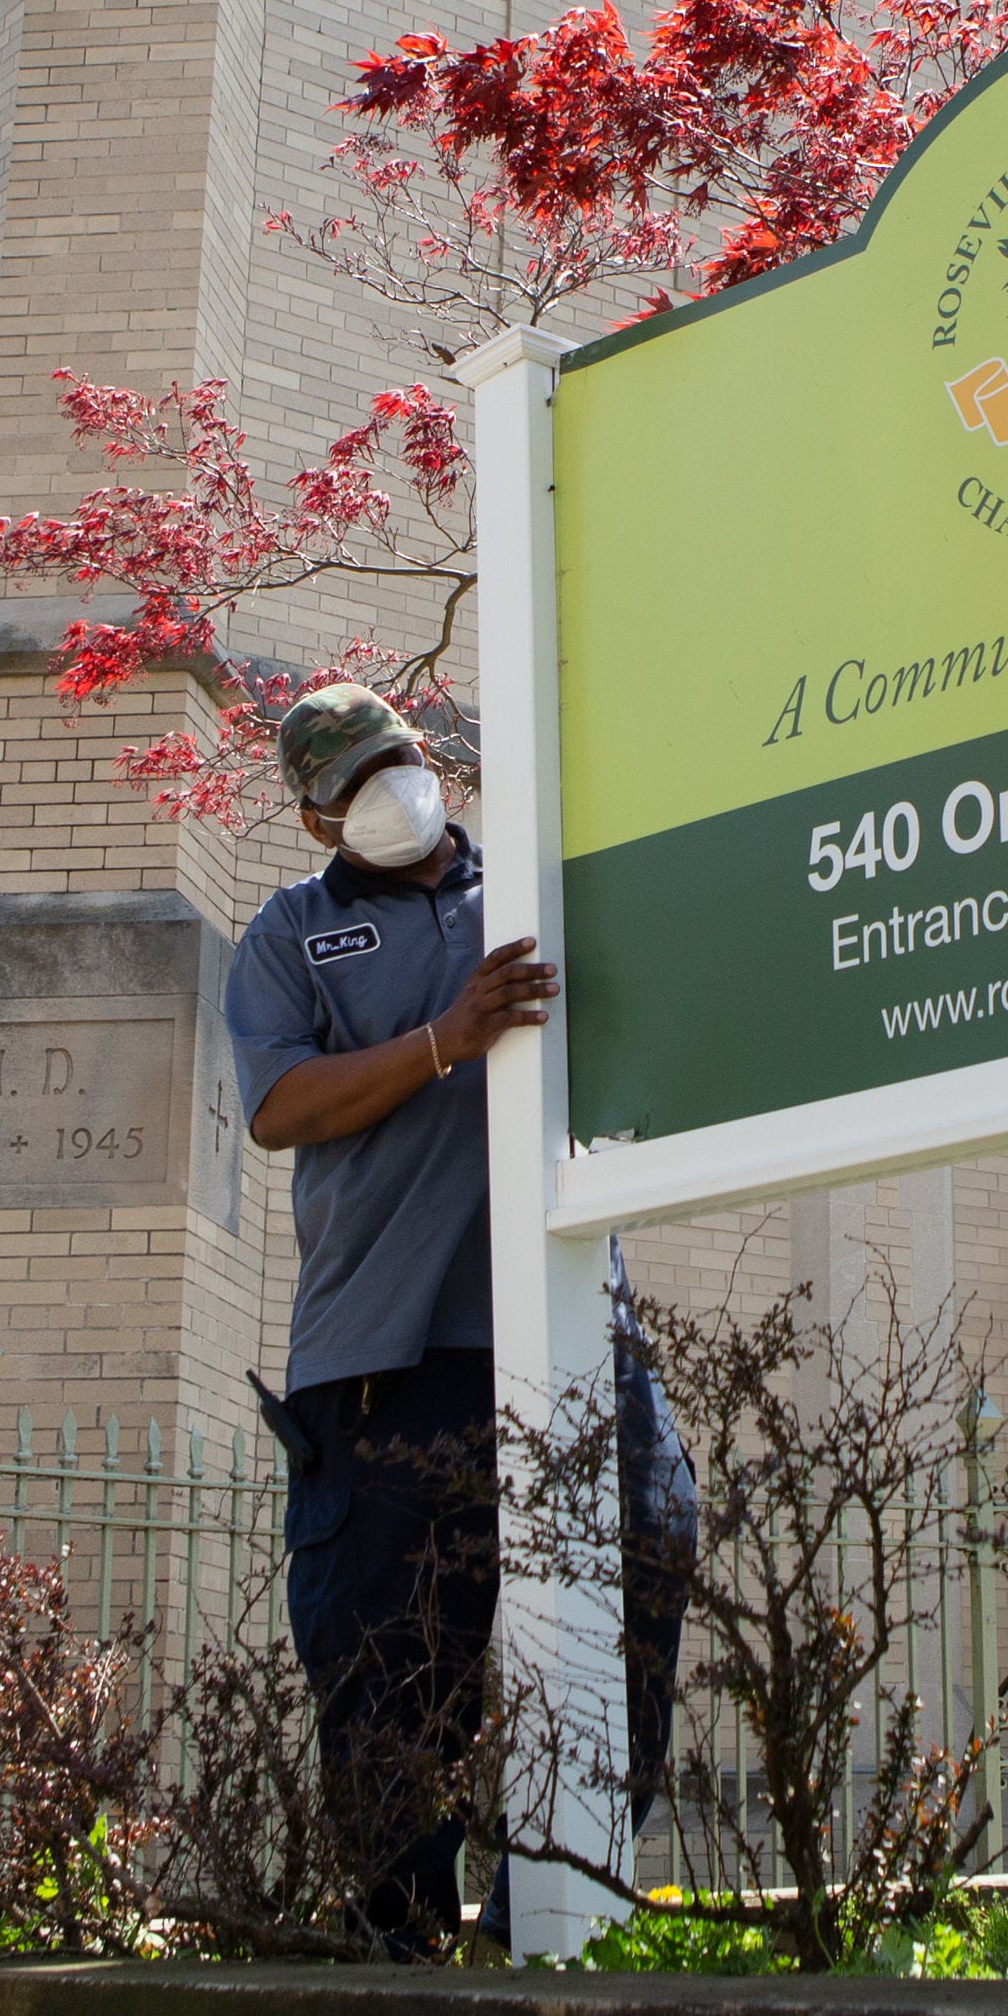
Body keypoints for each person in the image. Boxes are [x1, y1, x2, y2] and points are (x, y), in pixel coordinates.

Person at [229, 681, 695, 1948]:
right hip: (383, 1360)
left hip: (565, 1334)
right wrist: (446, 1038)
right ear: (317, 822)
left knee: (648, 1550)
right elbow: (280, 1108)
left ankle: (548, 1909)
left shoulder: (533, 891)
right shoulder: (287, 934)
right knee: (390, 1675)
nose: (384, 792)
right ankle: (408, 1957)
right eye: (345, 786)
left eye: (391, 760)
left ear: (425, 755)